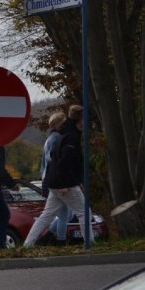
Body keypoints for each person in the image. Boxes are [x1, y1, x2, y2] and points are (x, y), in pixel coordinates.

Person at [24, 105, 92, 247]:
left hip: (55, 182)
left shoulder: (63, 135)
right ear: (80, 119)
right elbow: (64, 162)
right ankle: (90, 244)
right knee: (84, 212)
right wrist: (64, 184)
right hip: (64, 183)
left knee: (46, 216)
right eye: (85, 119)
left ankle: (27, 244)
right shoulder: (71, 137)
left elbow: (58, 160)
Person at [40, 112, 71, 245]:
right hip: (56, 180)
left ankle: (46, 236)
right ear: (59, 125)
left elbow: (44, 164)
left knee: (66, 214)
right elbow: (55, 161)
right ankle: (60, 240)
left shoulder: (50, 139)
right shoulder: (56, 139)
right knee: (64, 213)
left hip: (49, 179)